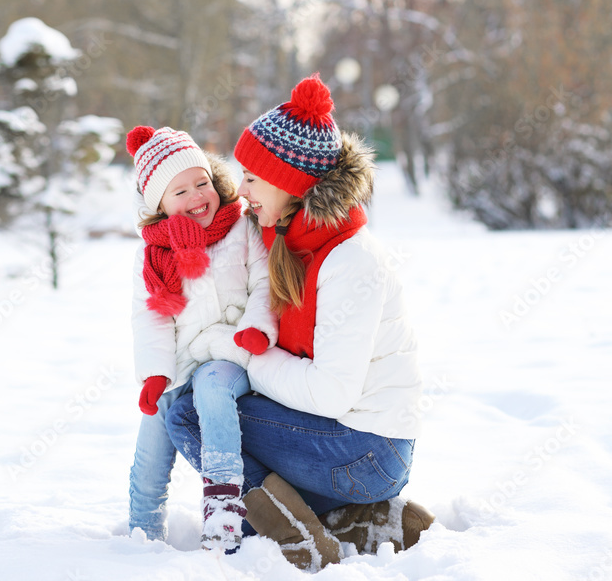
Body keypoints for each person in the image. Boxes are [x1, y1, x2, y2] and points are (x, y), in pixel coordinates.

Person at [165, 75, 435, 571]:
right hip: (360, 444)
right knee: (214, 402)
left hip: (368, 450)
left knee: (189, 414)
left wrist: (241, 351)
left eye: (251, 177)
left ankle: (301, 538)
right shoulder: (296, 237)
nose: (243, 191)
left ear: (289, 182)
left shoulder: (349, 260)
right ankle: (351, 518)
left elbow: (331, 393)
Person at [125, 125, 277, 551]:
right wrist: (156, 374)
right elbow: (150, 318)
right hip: (179, 360)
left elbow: (265, 284)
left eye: (202, 182)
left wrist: (257, 328)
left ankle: (223, 511)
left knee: (212, 389)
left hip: (233, 351)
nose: (197, 196)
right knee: (153, 432)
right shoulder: (153, 254)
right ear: (158, 204)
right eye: (180, 192)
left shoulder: (241, 228)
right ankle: (142, 531)